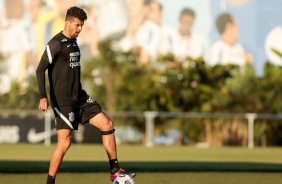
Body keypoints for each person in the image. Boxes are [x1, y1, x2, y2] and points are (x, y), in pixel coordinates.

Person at [35, 6, 136, 184]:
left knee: (107, 124)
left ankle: (115, 171)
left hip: (80, 98)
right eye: (77, 25)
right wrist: (43, 96)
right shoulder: (55, 43)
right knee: (65, 143)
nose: (80, 29)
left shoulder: (74, 42)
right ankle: (50, 182)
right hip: (63, 101)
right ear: (67, 23)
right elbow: (39, 69)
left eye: (82, 25)